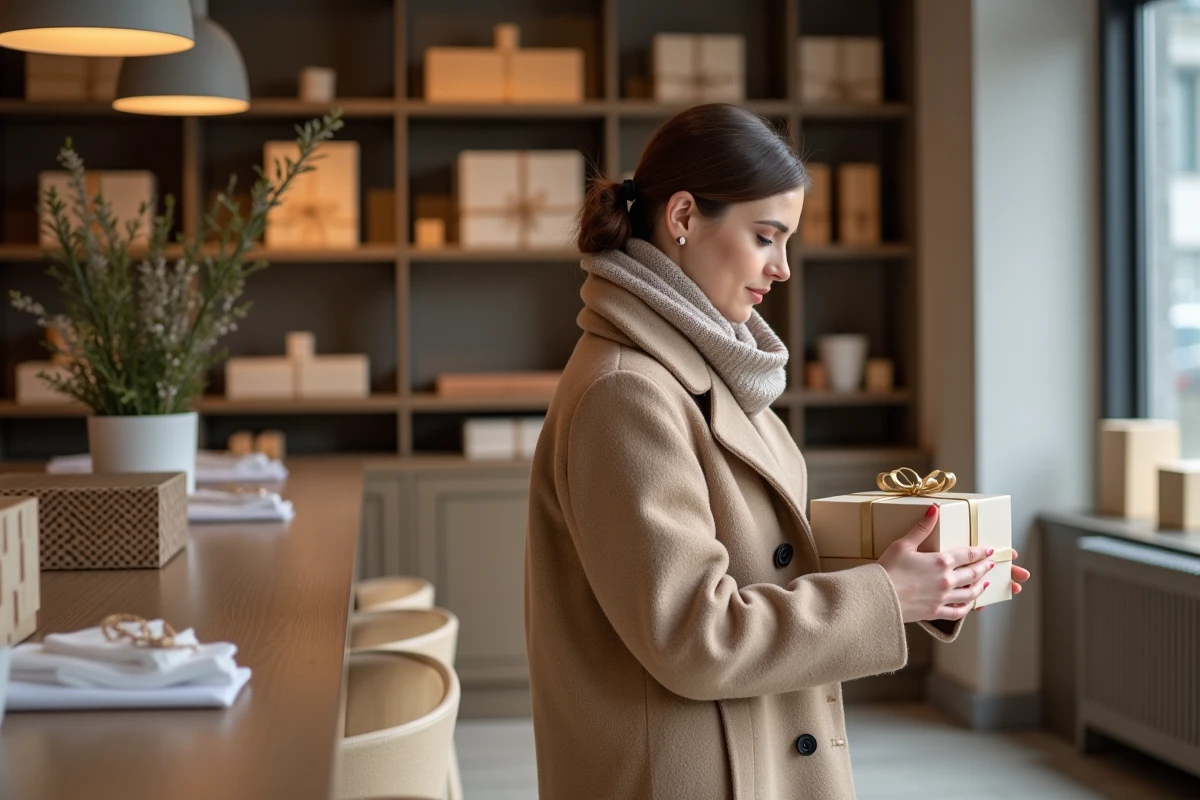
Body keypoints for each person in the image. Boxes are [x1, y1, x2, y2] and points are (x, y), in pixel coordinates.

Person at [524, 103, 1030, 799]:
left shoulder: (710, 366)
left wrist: (927, 581)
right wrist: (885, 593)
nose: (783, 268)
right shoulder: (628, 393)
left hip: (752, 749)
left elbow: (766, 561)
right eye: (766, 237)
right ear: (682, 218)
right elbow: (693, 635)